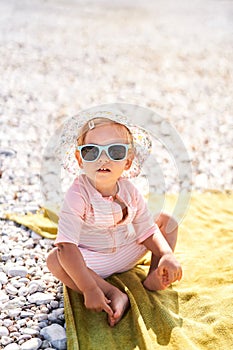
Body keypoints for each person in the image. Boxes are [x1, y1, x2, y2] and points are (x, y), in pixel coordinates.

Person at [47, 111, 182, 327]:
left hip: (127, 250)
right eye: (92, 151)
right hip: (93, 261)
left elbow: (147, 230)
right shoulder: (78, 194)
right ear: (80, 159)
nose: (103, 158)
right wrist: (89, 289)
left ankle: (157, 272)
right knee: (56, 258)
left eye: (115, 151)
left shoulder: (130, 191)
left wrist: (165, 253)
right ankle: (111, 291)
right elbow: (67, 246)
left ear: (127, 162)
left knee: (167, 220)